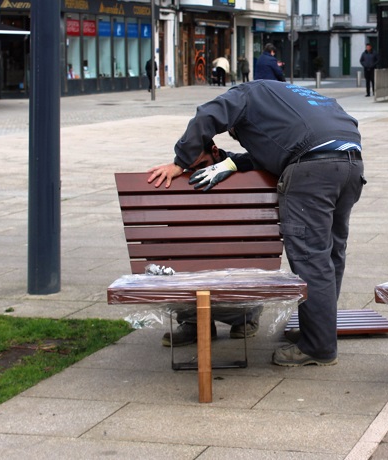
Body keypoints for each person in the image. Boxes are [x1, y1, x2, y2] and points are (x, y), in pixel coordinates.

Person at [147, 80, 365, 367]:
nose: (238, 137)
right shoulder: (292, 97)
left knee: (312, 259)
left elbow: (206, 115)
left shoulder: (244, 94)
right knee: (331, 256)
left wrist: (180, 161)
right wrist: (231, 162)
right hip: (350, 163)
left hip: (312, 171)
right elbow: (273, 149)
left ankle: (319, 347)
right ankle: (319, 331)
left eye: (235, 132)